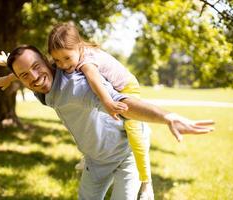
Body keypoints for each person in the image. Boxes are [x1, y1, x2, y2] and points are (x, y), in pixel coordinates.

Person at [0, 45, 214, 200]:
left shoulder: (79, 87)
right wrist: (10, 70)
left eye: (37, 67)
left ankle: (146, 185)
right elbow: (28, 70)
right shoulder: (45, 87)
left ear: (47, 62)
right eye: (24, 75)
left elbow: (123, 103)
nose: (34, 77)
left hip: (125, 155)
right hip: (95, 161)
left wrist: (166, 117)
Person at [47, 22, 157, 197]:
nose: (62, 65)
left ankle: (146, 183)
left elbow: (94, 80)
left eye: (67, 58)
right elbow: (41, 67)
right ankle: (92, 156)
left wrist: (107, 102)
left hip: (127, 88)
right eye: (58, 60)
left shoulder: (87, 62)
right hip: (113, 91)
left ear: (79, 47)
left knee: (135, 133)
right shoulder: (68, 57)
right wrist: (10, 71)